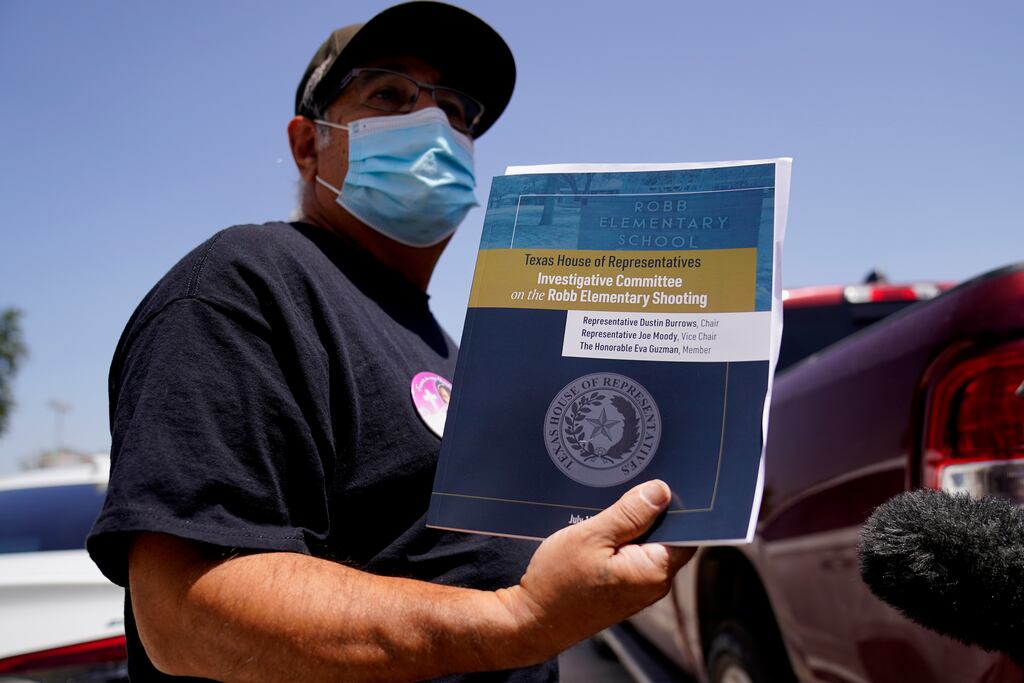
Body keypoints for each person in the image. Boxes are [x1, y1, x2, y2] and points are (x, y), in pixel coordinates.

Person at [87, 3, 695, 681]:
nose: (435, 124)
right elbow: (187, 611)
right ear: (307, 143)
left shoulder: (443, 341)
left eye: (458, 110)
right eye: (390, 95)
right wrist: (517, 620)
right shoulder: (246, 283)